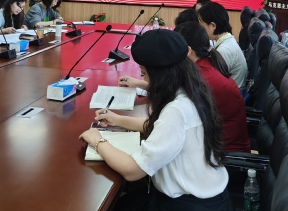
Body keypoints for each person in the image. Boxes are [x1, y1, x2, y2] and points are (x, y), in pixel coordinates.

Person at [79, 29, 231, 210]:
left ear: (161, 76)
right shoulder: (190, 89)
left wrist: (97, 141)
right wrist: (117, 119)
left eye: (144, 74)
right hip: (206, 197)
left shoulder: (177, 110)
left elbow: (132, 171)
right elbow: (160, 128)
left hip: (188, 205)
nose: (143, 79)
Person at [175, 21, 250, 152]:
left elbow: (177, 121)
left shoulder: (203, 79)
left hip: (223, 153)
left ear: (188, 51)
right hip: (215, 144)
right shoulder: (206, 64)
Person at [198, 2, 248, 91]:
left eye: (201, 23)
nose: (199, 28)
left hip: (230, 95)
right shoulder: (228, 41)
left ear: (213, 25)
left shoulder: (224, 50)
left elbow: (211, 82)